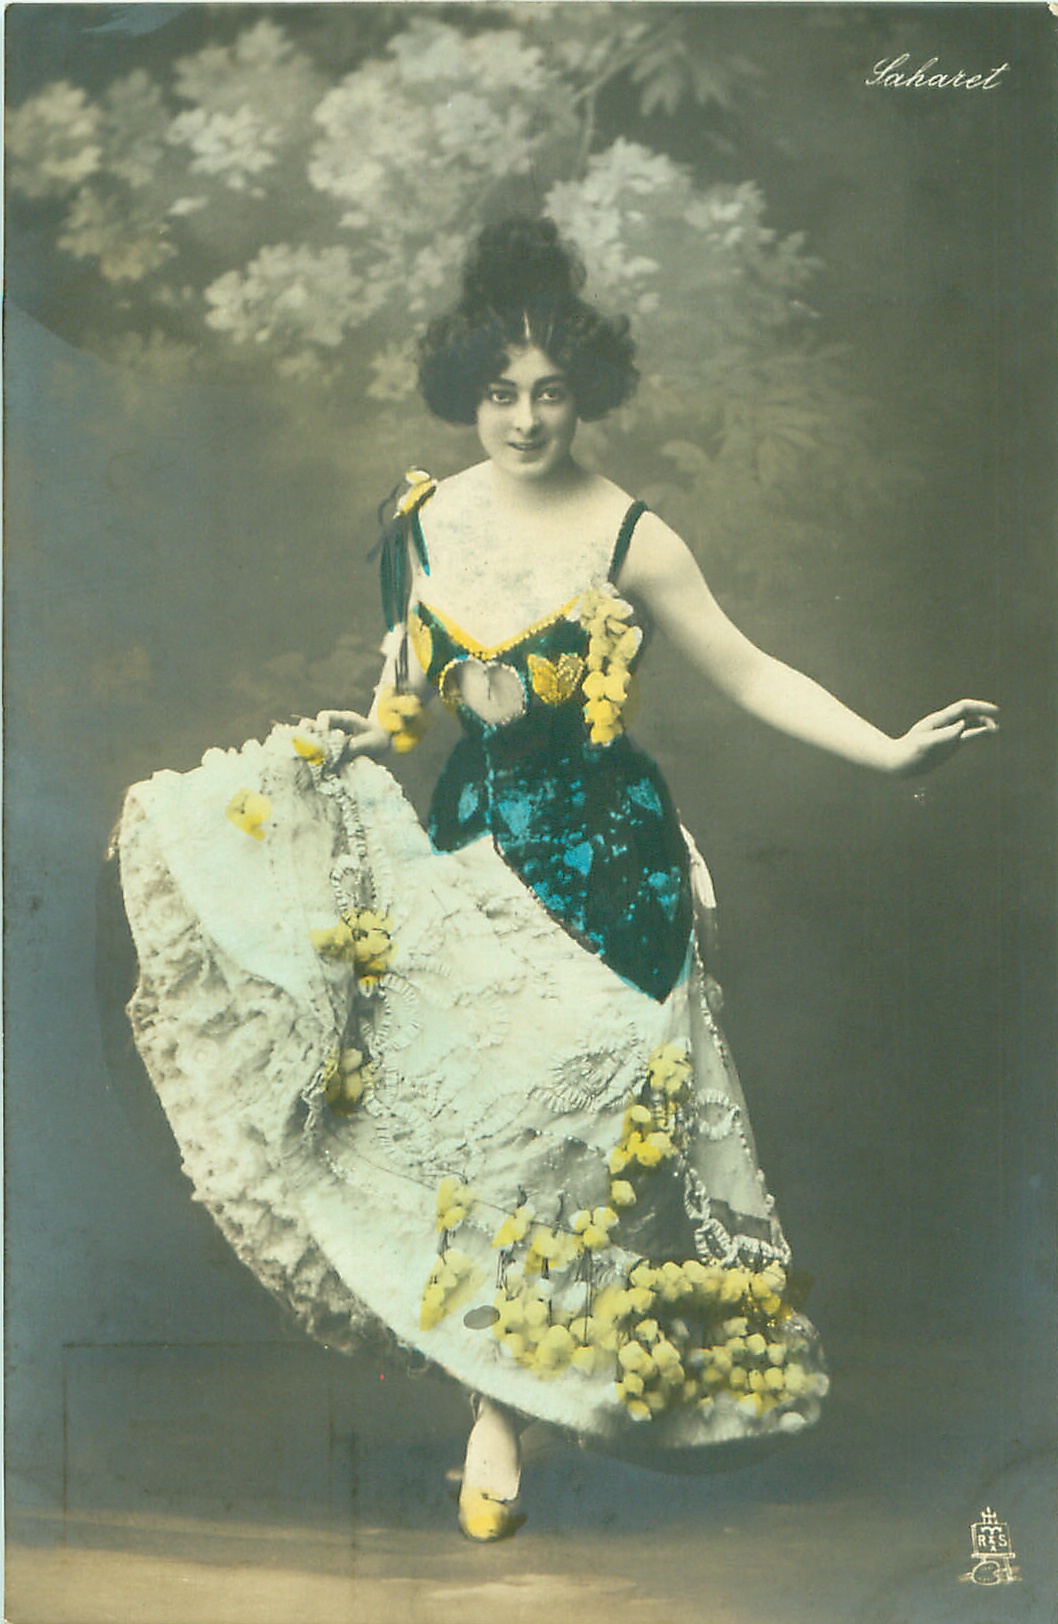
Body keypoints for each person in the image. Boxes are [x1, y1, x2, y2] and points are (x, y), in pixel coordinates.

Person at [116, 217, 997, 1543]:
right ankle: (502, 1396)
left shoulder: (633, 533)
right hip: (476, 847)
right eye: (499, 393)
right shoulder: (418, 522)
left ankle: (503, 1416)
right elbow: (403, 693)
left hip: (610, 860)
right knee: (482, 1125)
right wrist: (366, 733)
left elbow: (749, 668)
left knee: (592, 1136)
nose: (525, 420)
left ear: (584, 396)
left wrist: (887, 752)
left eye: (549, 393)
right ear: (464, 394)